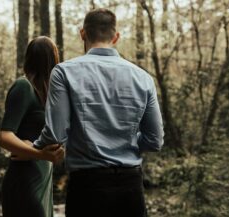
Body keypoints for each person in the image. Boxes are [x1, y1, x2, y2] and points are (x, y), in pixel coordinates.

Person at [33, 8, 164, 217]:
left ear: (83, 33)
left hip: (87, 187)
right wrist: (125, 142)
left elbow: (55, 134)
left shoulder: (64, 72)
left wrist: (33, 148)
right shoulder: (143, 78)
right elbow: (155, 140)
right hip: (130, 188)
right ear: (116, 37)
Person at [0, 36, 64, 217]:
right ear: (53, 59)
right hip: (24, 181)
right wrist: (40, 154)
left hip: (43, 178)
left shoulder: (49, 94)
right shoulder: (23, 87)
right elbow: (5, 136)